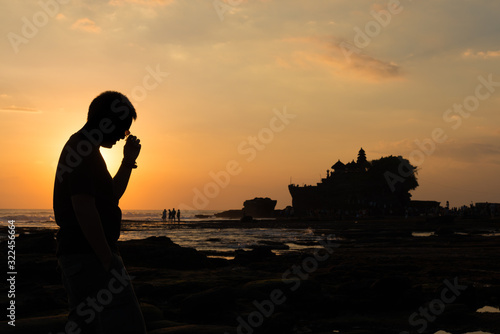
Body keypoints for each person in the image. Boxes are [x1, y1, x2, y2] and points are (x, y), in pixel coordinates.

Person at [53, 91, 147, 333]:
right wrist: (108, 260)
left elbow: (109, 196)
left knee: (87, 325)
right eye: (122, 128)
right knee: (127, 325)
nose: (121, 135)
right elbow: (83, 208)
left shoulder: (87, 150)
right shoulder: (83, 149)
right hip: (88, 257)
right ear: (107, 120)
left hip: (84, 256)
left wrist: (127, 162)